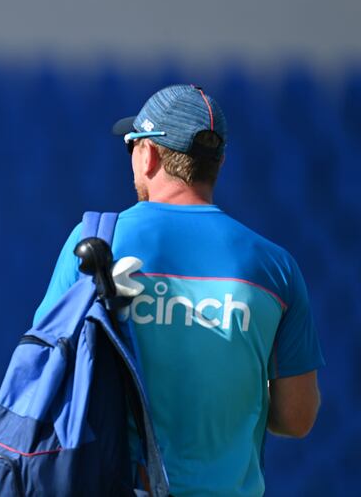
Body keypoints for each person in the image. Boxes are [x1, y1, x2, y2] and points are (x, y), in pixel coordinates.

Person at [32, 84, 324, 496]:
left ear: (147, 154)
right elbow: (296, 417)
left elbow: (45, 376)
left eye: (131, 145)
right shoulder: (275, 267)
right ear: (219, 162)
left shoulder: (96, 243)